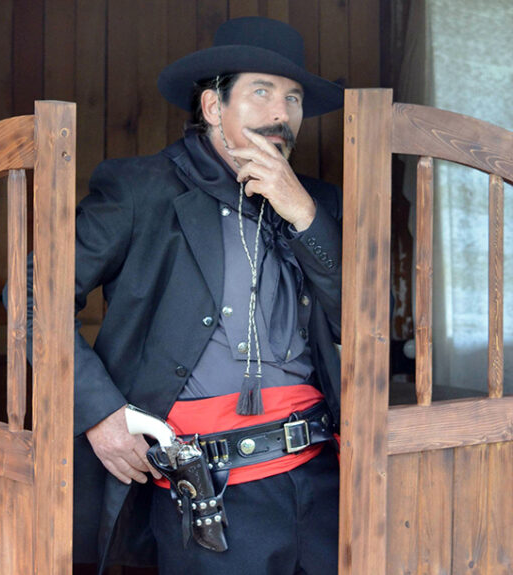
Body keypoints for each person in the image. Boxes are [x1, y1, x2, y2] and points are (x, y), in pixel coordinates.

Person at [70, 17, 345, 574]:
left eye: (293, 98)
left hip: (325, 481)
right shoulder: (140, 188)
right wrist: (99, 413)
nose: (281, 113)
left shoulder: (319, 203)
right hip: (204, 492)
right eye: (261, 92)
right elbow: (33, 298)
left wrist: (305, 216)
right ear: (213, 107)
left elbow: (368, 317)